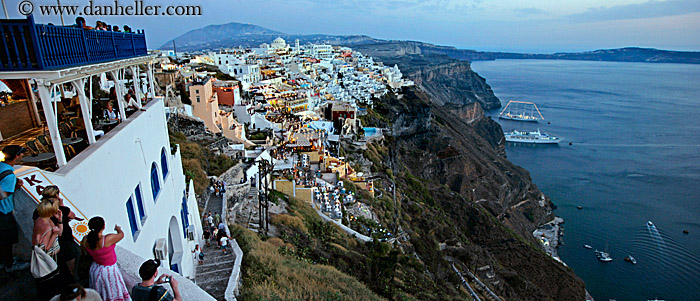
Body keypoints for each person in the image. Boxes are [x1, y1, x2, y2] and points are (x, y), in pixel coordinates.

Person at [81, 217, 130, 301]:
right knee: (112, 291)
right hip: (109, 271)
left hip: (96, 269)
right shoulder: (106, 240)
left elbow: (84, 253)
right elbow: (121, 235)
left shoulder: (85, 240)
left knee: (101, 292)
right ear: (103, 227)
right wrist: (118, 229)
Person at [0, 145, 30, 273]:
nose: (22, 156)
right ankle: (9, 264)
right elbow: (4, 194)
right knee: (7, 240)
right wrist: (15, 186)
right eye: (21, 154)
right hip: (3, 212)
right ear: (16, 156)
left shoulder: (1, 167)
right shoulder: (9, 175)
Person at [42, 186, 84, 276]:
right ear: (56, 196)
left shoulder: (40, 211)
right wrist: (61, 205)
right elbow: (72, 215)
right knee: (71, 267)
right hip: (65, 241)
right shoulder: (61, 210)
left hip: (49, 241)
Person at [33, 199, 64, 300]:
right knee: (54, 288)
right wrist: (54, 234)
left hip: (53, 257)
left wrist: (59, 220)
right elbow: (46, 248)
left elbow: (59, 232)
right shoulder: (46, 226)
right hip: (51, 259)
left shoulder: (41, 219)